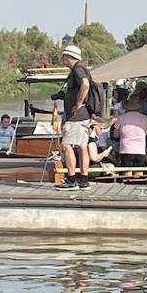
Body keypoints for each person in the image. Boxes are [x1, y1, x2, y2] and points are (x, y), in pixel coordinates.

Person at [56, 44, 93, 191]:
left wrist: (78, 103)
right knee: (82, 146)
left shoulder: (78, 69)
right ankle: (84, 180)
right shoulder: (81, 68)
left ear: (69, 56)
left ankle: (71, 180)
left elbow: (85, 84)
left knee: (66, 145)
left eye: (64, 56)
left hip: (76, 116)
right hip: (83, 116)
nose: (62, 58)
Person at [114, 96, 147, 169]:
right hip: (140, 149)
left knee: (127, 172)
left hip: (126, 149)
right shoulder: (144, 117)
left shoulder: (121, 117)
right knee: (139, 173)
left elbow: (115, 135)